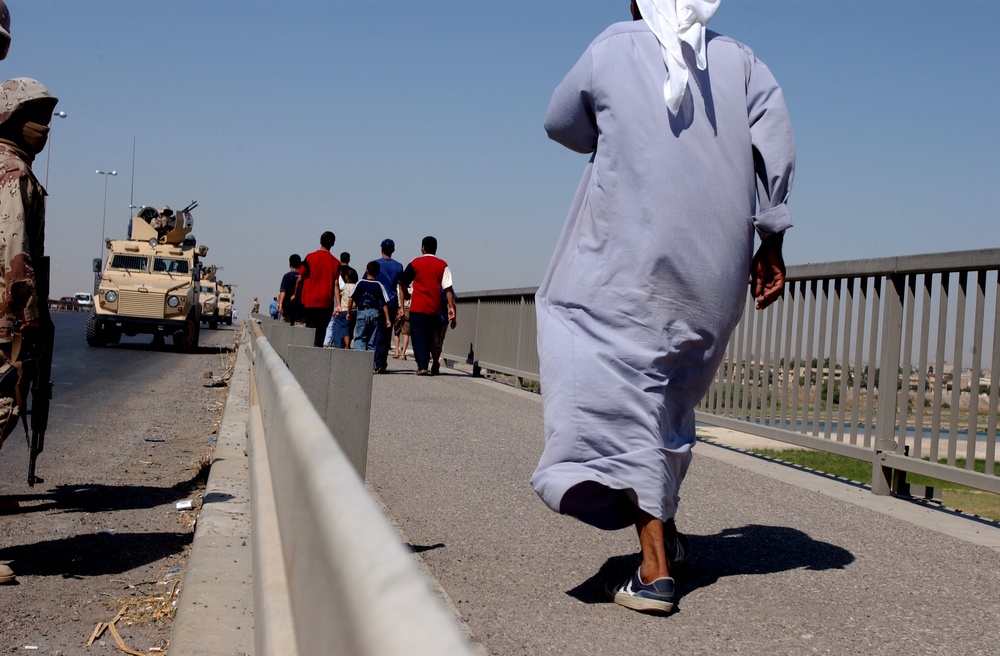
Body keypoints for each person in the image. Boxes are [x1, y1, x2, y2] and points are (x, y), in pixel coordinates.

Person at [530, 0, 793, 615]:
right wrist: (771, 242)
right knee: (670, 396)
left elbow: (560, 124)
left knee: (614, 376)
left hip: (629, 261)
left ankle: (653, 571)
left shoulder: (615, 46)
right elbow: (774, 151)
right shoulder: (741, 62)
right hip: (716, 271)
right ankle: (665, 528)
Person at [0, 77, 60, 586]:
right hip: (5, 314)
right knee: (1, 404)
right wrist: (30, 317)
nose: (43, 126)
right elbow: (16, 253)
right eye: (31, 114)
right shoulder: (12, 171)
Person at [399, 236, 455, 376]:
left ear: (422, 247)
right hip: (434, 308)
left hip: (418, 307)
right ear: (436, 249)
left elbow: (403, 282)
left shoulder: (415, 262)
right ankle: (429, 363)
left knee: (418, 337)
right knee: (431, 336)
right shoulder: (443, 265)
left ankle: (422, 366)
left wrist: (406, 294)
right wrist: (451, 307)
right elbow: (448, 288)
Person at [294, 231, 341, 347]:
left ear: (320, 241)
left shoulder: (310, 258)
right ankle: (318, 355)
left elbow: (300, 278)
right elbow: (336, 283)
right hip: (326, 303)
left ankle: (309, 357)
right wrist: (338, 304)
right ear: (333, 244)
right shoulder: (336, 262)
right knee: (321, 333)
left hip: (310, 301)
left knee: (310, 332)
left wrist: (296, 294)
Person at [373, 238, 404, 373]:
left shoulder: (375, 264)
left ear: (381, 249)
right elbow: (401, 287)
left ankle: (376, 360)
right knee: (386, 332)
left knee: (375, 332)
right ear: (393, 250)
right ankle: (382, 362)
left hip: (377, 300)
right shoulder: (398, 266)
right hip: (391, 301)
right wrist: (401, 307)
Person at [347, 261, 391, 354]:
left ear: (366, 270)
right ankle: (370, 362)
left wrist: (348, 313)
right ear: (378, 272)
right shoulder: (379, 285)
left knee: (360, 338)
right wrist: (387, 319)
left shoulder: (360, 283)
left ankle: (360, 361)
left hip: (362, 312)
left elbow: (351, 298)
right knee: (372, 341)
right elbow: (384, 303)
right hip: (374, 313)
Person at [429, 288, 458, 375]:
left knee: (433, 340)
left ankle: (435, 360)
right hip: (443, 318)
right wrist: (454, 319)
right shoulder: (447, 287)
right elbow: (452, 303)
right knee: (439, 341)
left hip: (434, 316)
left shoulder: (433, 283)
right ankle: (435, 360)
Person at [278, 254, 301, 324]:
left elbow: (283, 291)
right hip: (300, 310)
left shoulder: (287, 276)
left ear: (290, 264)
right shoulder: (303, 277)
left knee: (284, 331)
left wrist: (280, 303)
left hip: (287, 309)